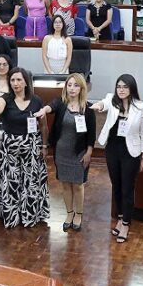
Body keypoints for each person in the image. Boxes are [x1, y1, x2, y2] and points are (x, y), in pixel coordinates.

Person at [0, 67, 50, 228]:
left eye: (19, 80)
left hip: (31, 145)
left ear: (26, 82)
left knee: (31, 182)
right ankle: (11, 216)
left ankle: (29, 215)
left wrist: (44, 145)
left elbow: (43, 126)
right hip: (9, 147)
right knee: (11, 181)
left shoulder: (36, 100)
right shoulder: (5, 98)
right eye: (13, 80)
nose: (15, 83)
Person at [92, 75, 143, 243]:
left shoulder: (141, 107)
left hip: (131, 152)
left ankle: (126, 223)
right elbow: (103, 103)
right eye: (119, 86)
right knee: (116, 186)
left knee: (127, 187)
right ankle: (119, 217)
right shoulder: (112, 100)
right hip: (112, 149)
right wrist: (98, 105)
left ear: (131, 88)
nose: (121, 89)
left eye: (125, 86)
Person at [34, 73, 96, 231]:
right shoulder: (61, 103)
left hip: (79, 153)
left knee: (78, 185)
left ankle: (79, 214)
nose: (72, 89)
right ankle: (69, 213)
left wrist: (89, 152)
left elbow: (91, 135)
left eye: (76, 85)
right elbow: (51, 106)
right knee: (66, 185)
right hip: (61, 152)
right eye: (69, 85)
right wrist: (44, 110)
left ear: (82, 88)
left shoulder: (88, 109)